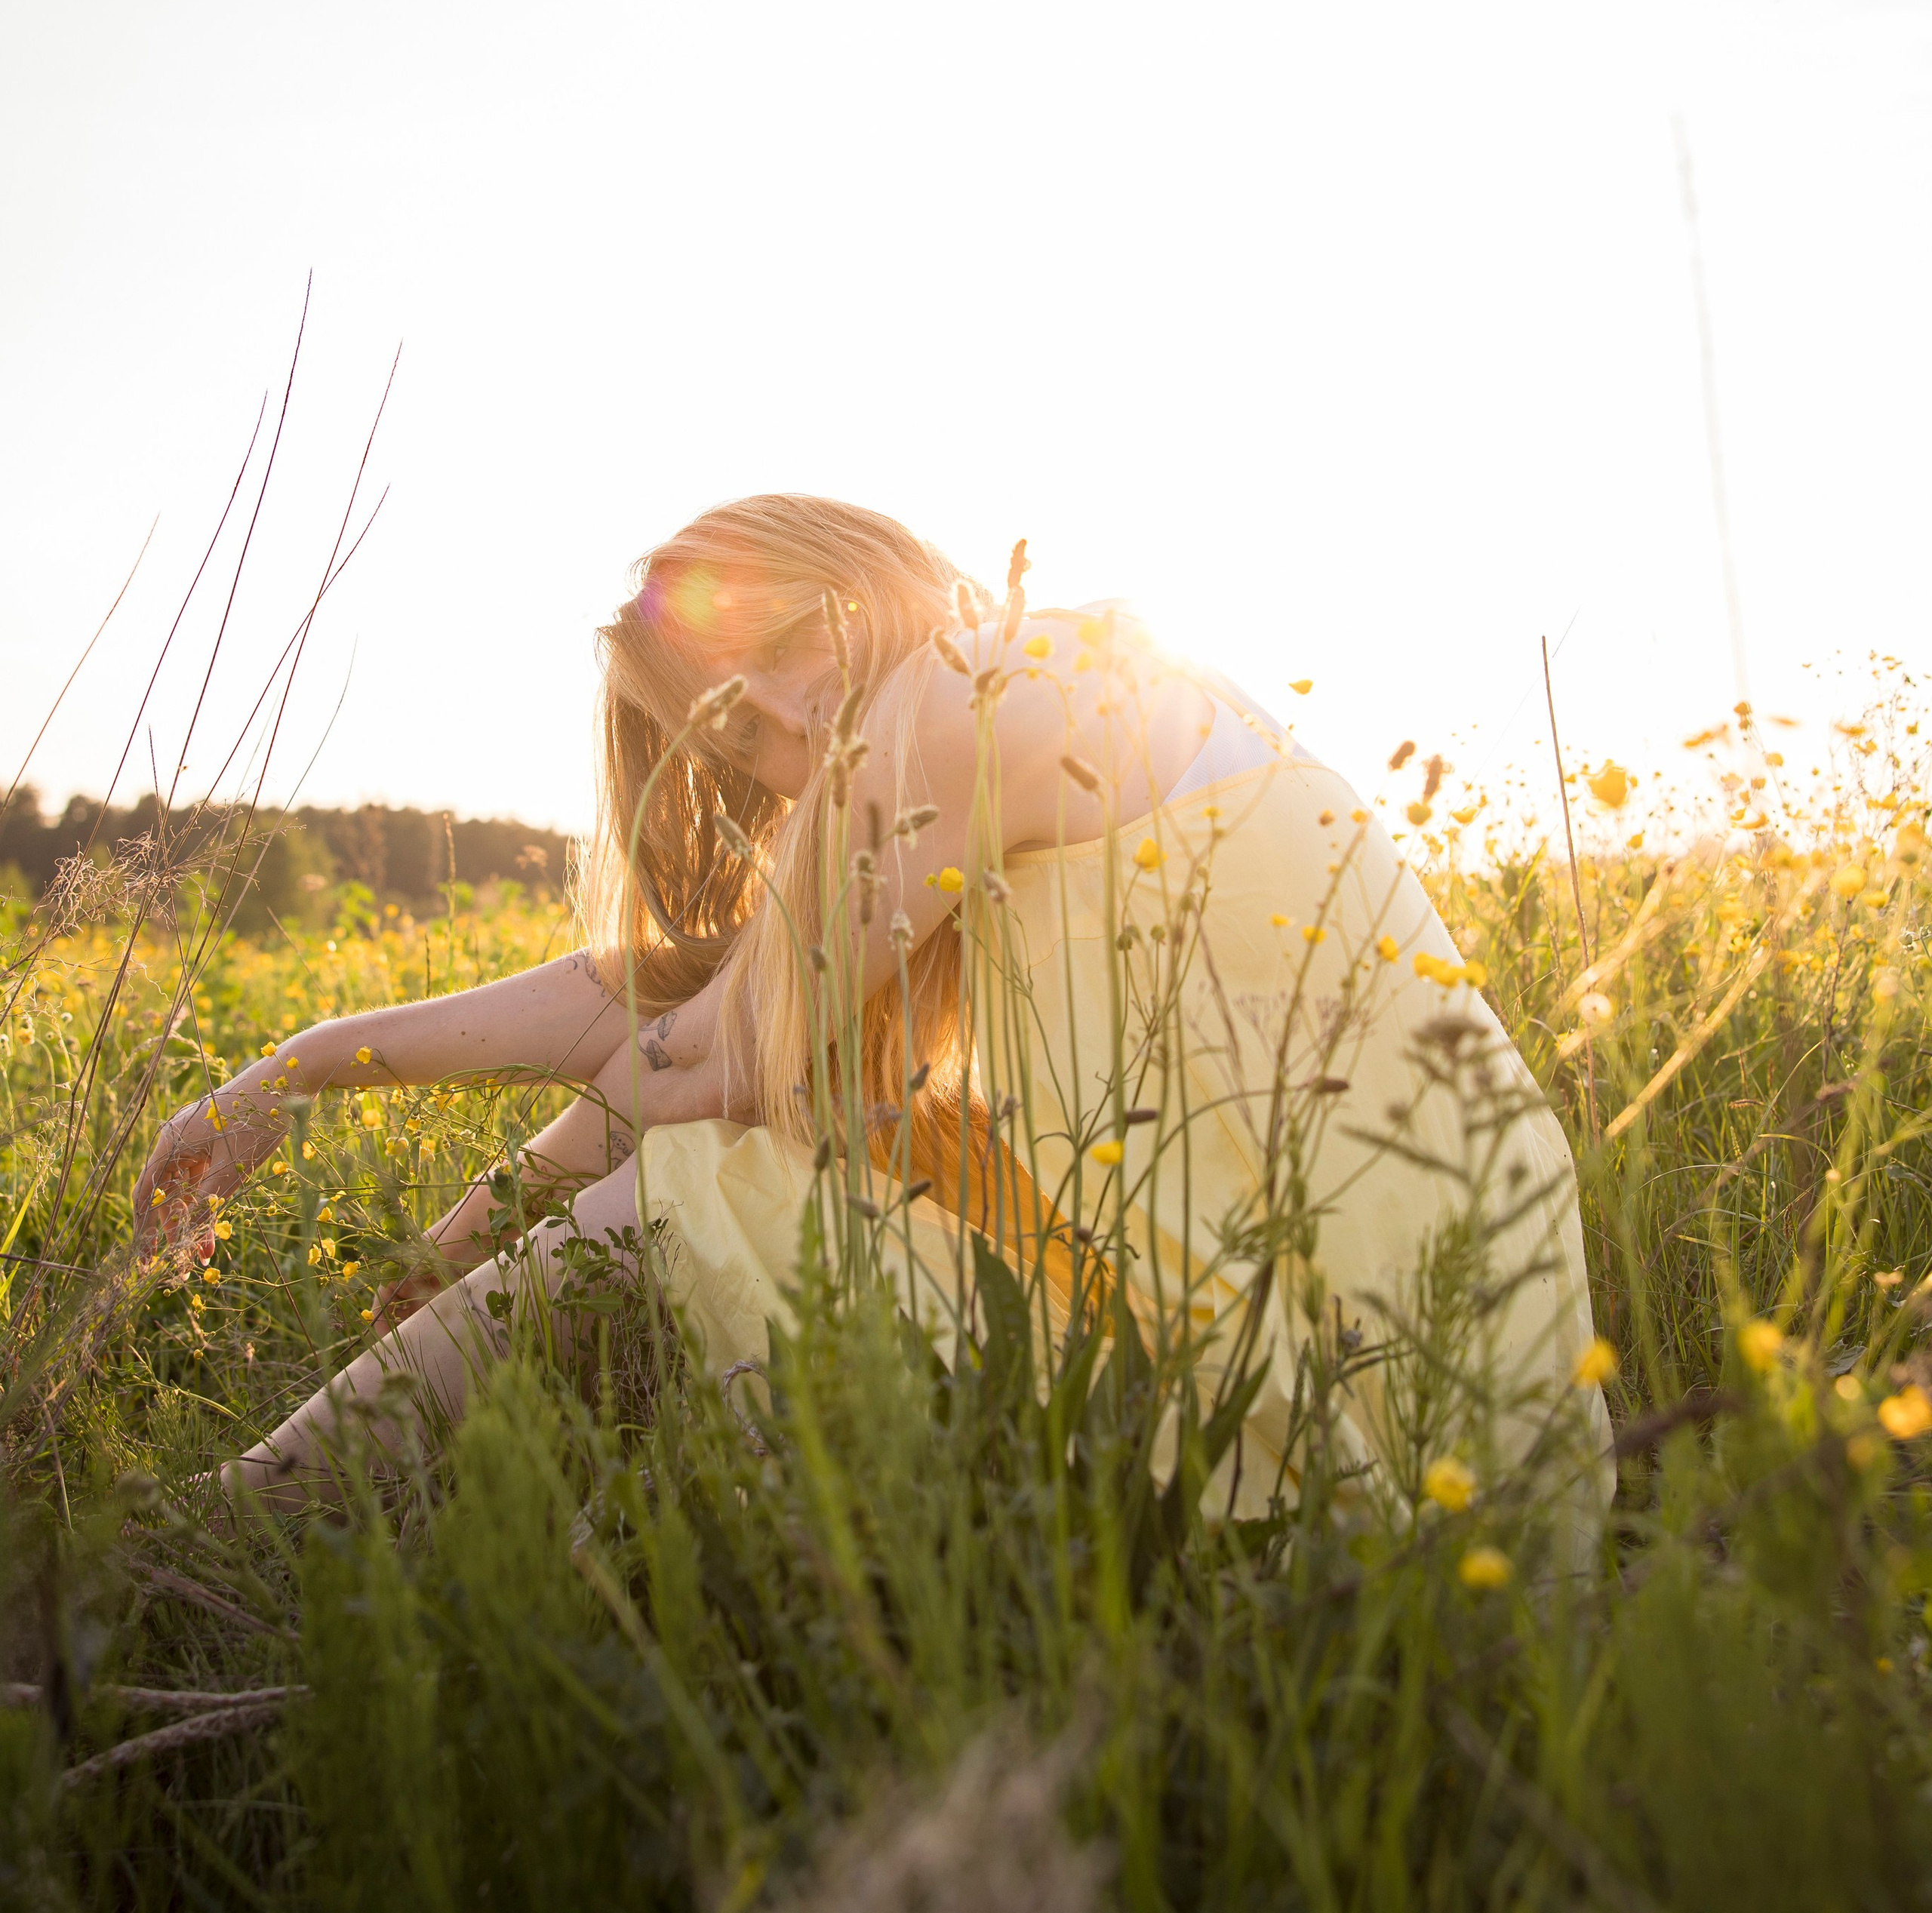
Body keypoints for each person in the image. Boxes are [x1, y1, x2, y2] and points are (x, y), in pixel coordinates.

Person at [132, 494, 1606, 1522]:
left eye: (784, 644)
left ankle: (246, 1518)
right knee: (734, 1155)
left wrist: (410, 1187)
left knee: (709, 1169)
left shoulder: (976, 684)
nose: (786, 724)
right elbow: (697, 1005)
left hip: (1346, 1373)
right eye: (729, 729)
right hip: (1423, 1373)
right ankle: (279, 1504)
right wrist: (315, 1081)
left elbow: (707, 1055)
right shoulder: (1016, 699)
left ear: (864, 567)